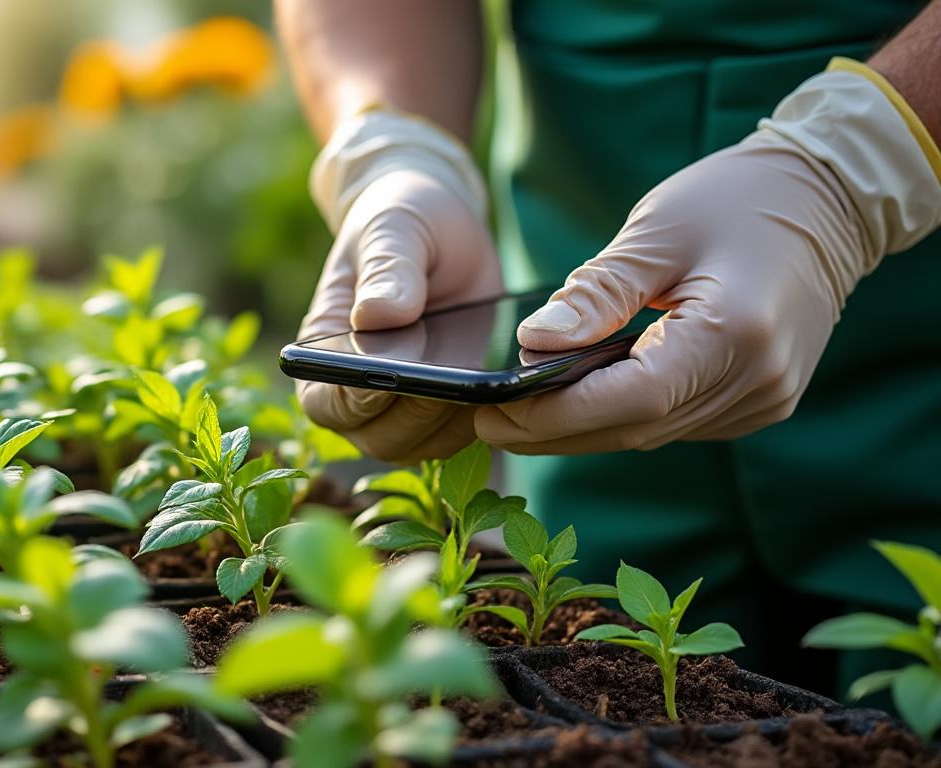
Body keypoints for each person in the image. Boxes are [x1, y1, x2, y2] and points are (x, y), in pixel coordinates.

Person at [276, 0, 941, 697]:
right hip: (582, 230)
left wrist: (859, 159)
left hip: (916, 334)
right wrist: (397, 150)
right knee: (605, 672)